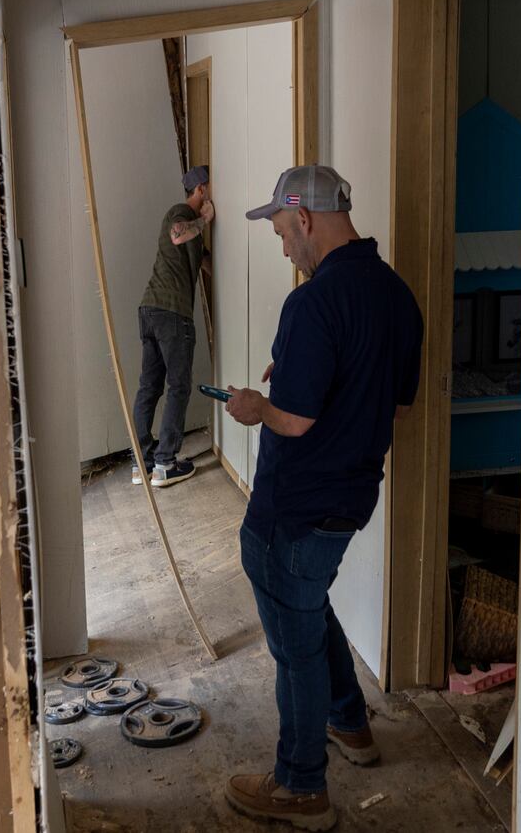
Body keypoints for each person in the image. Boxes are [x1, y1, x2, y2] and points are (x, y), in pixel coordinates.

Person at [221, 164, 423, 831]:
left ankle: (300, 786)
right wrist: (306, 376)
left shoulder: (311, 303)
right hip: (350, 501)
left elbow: (298, 420)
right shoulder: (398, 297)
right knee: (307, 608)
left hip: (295, 507)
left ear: (303, 217)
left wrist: (256, 406)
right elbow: (390, 404)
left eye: (282, 232)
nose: (284, 247)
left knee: (294, 644)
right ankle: (350, 723)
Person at [131, 164, 214, 488]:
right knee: (178, 386)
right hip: (171, 313)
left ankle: (143, 463)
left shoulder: (193, 231)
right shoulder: (181, 213)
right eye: (211, 187)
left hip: (150, 309)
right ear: (201, 191)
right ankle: (165, 464)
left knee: (149, 386)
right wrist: (206, 218)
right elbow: (179, 233)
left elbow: (204, 261)